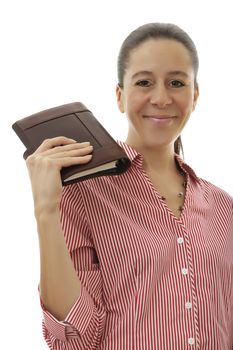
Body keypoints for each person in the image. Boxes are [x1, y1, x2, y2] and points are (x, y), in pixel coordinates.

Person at [26, 23, 233, 349]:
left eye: (176, 83)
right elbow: (76, 338)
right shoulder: (83, 192)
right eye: (144, 82)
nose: (161, 98)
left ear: (194, 96)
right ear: (120, 96)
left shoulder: (224, 207)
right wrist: (45, 211)